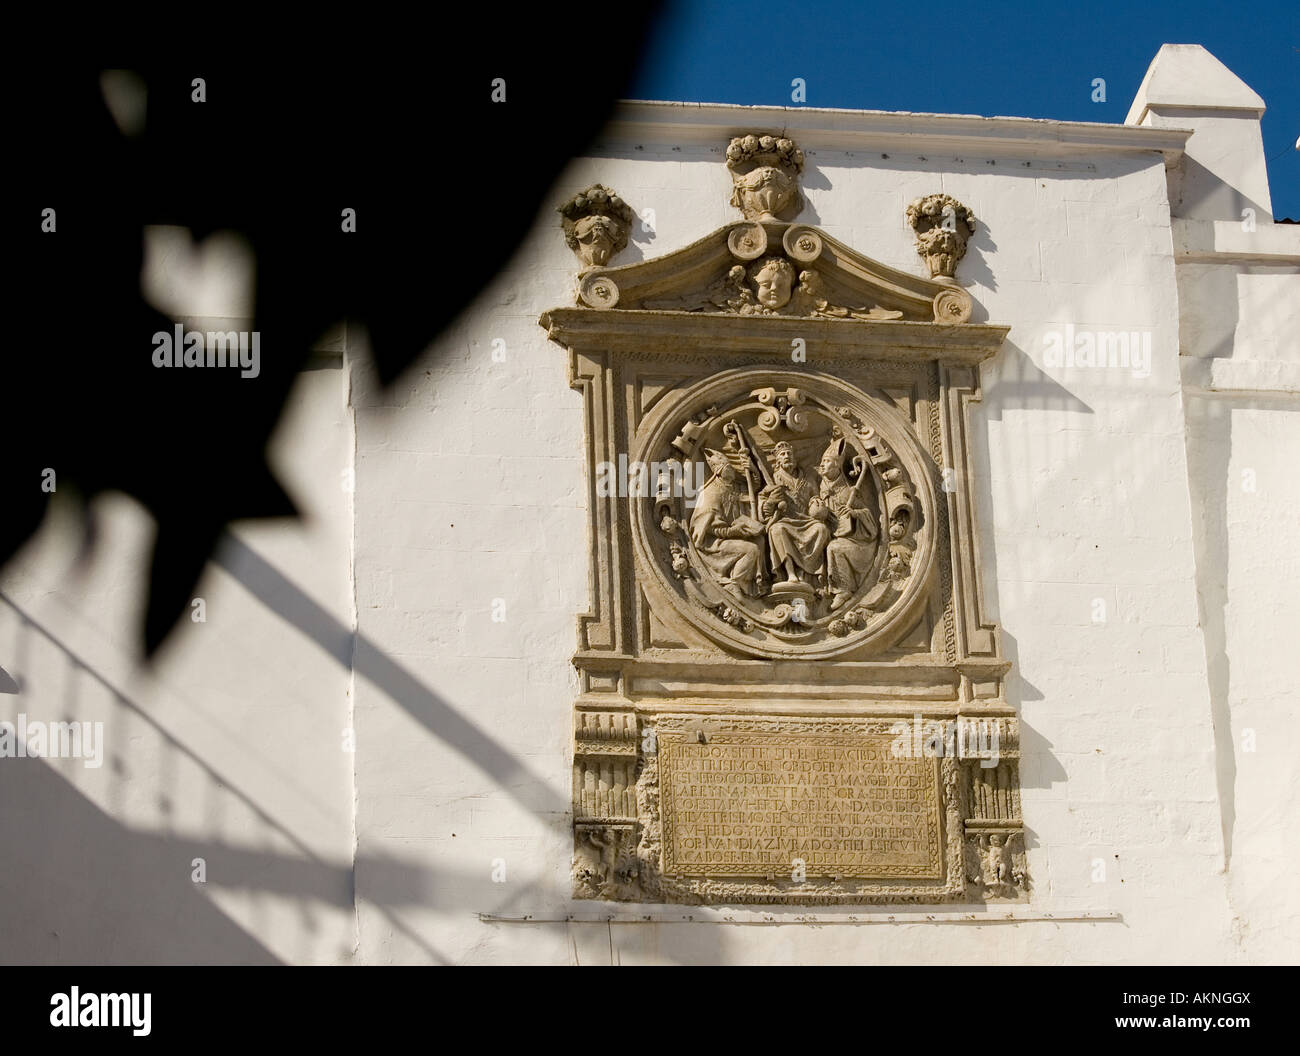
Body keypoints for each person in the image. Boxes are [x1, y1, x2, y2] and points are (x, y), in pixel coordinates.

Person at [689, 448, 764, 597]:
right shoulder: (712, 493)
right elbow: (709, 528)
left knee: (761, 540)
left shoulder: (732, 487)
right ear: (718, 471)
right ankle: (734, 582)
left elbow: (753, 488)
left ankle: (757, 583)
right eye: (727, 468)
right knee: (751, 549)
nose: (731, 470)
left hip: (734, 534)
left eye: (730, 467)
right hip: (713, 542)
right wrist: (732, 532)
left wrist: (752, 469)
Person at [814, 438, 878, 610]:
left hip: (858, 544)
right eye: (821, 462)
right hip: (834, 536)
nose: (822, 465)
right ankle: (821, 585)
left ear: (837, 466)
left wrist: (854, 513)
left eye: (826, 461)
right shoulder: (821, 490)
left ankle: (844, 589)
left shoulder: (848, 492)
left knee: (834, 547)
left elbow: (870, 522)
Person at [762, 441, 831, 586]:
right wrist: (771, 501)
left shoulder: (807, 479)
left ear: (794, 458)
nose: (786, 456)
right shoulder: (772, 480)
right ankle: (790, 572)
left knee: (822, 529)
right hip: (784, 520)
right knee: (777, 530)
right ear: (778, 460)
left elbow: (815, 496)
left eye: (789, 453)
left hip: (807, 521)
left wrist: (816, 503)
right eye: (782, 454)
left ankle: (805, 570)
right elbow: (764, 507)